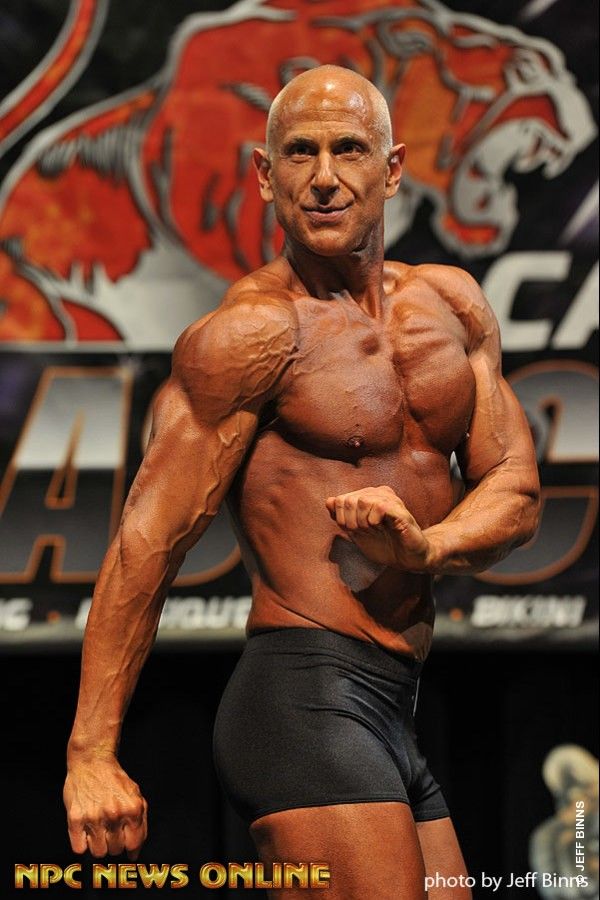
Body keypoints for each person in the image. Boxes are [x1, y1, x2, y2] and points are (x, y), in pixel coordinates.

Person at [63, 65, 540, 898]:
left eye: (348, 149)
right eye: (299, 153)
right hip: (302, 701)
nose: (323, 177)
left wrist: (426, 549)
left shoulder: (452, 306)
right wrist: (90, 753)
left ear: (392, 169)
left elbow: (515, 489)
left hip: (395, 707)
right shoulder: (251, 335)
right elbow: (148, 542)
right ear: (263, 174)